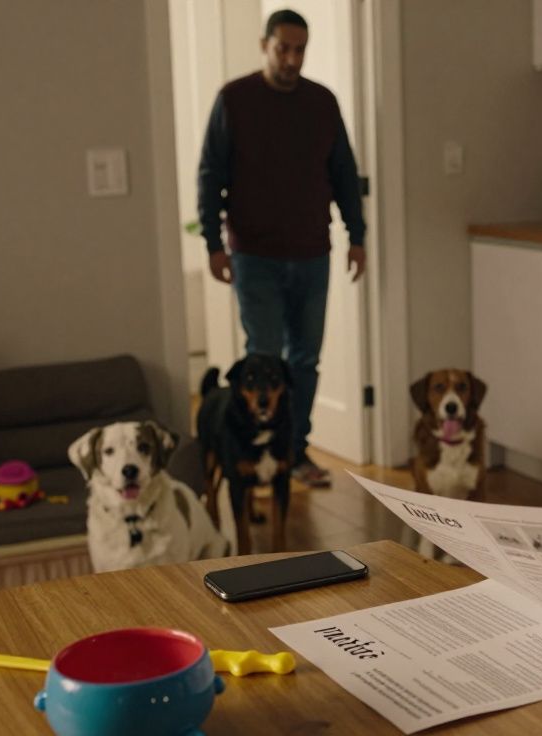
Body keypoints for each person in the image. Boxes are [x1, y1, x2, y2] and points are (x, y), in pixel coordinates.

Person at [197, 8, 366, 488]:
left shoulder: (322, 103)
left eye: (299, 50)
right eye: (283, 49)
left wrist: (358, 236)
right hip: (254, 256)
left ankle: (293, 452)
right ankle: (258, 454)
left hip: (313, 252)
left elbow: (344, 175)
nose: (292, 59)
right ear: (265, 45)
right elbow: (211, 174)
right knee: (264, 356)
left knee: (304, 361)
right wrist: (213, 242)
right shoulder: (234, 100)